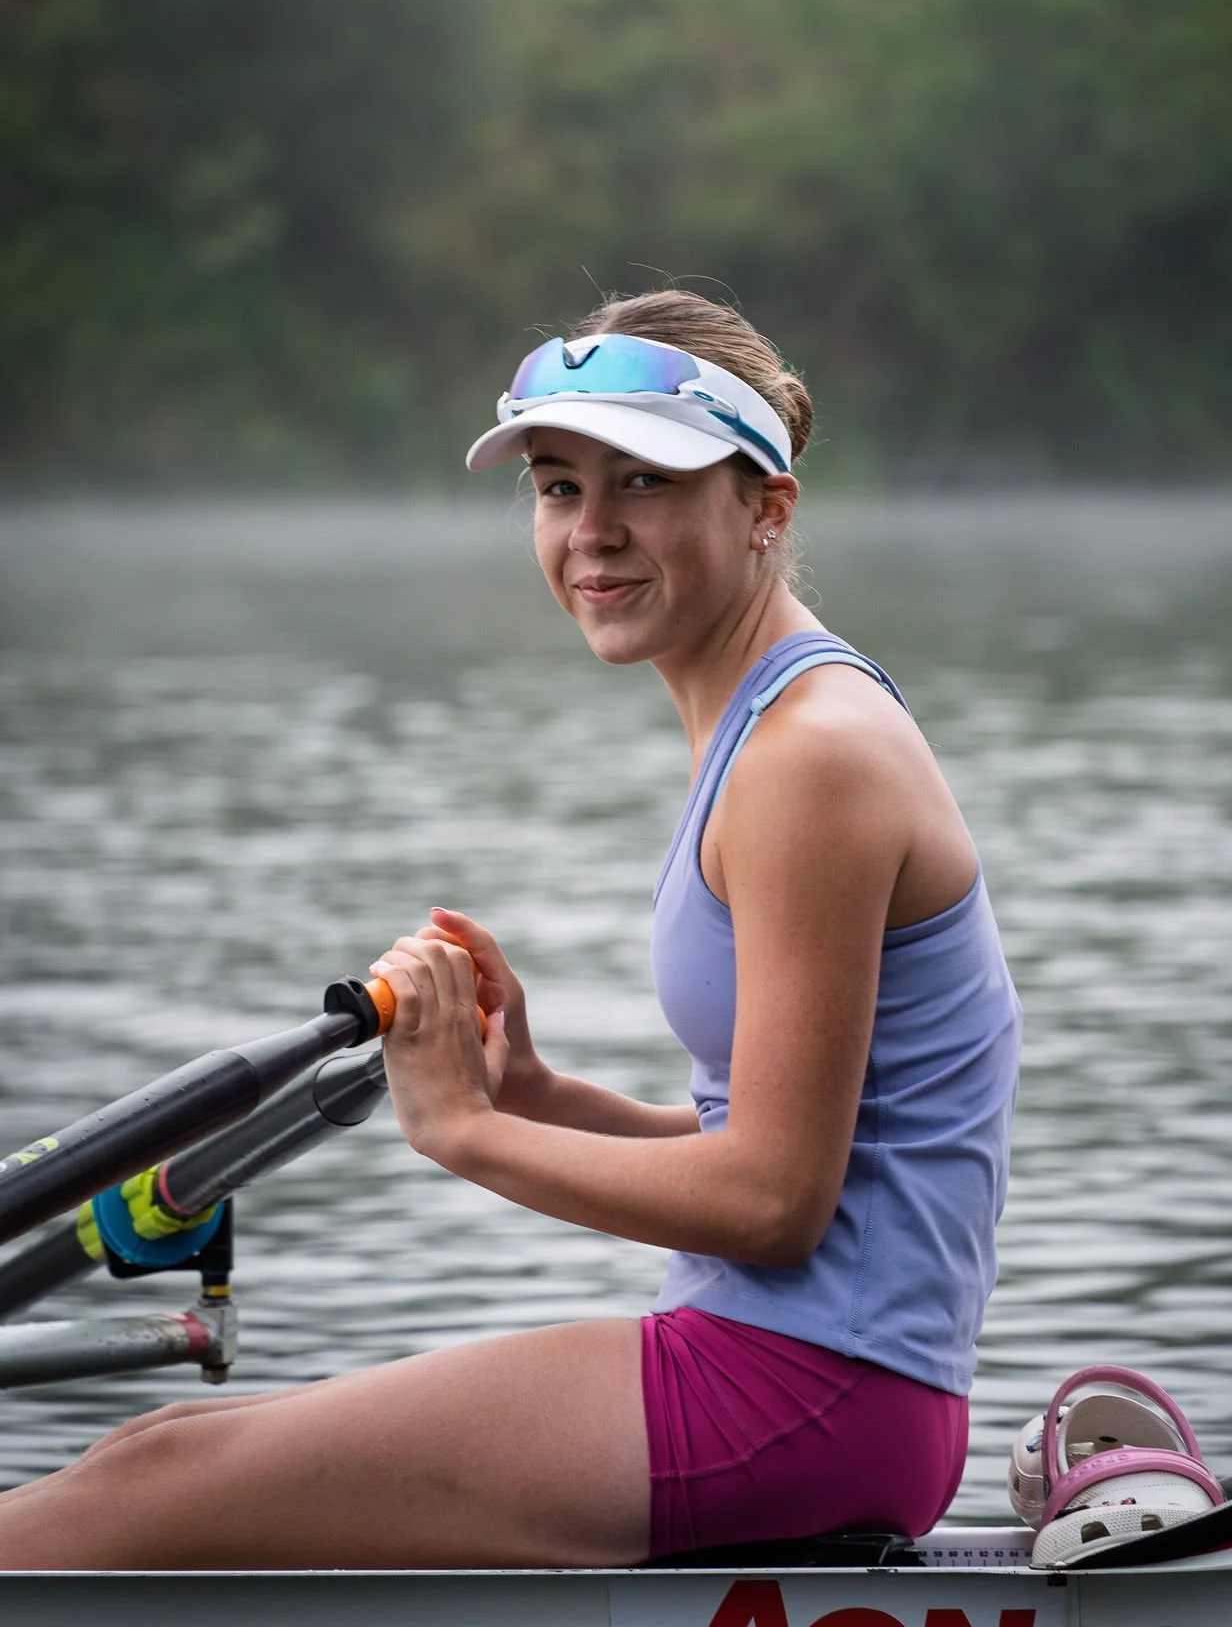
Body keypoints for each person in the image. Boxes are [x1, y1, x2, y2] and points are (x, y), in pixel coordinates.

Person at [0, 289, 1021, 1570]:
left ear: (766, 506)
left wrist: (464, 1130)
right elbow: (794, 1152)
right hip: (809, 1371)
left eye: (643, 479)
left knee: (150, 1479)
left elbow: (773, 1202)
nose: (591, 532)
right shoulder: (771, 721)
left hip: (812, 1391)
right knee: (136, 1465)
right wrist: (534, 1093)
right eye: (556, 485)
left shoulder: (808, 756)